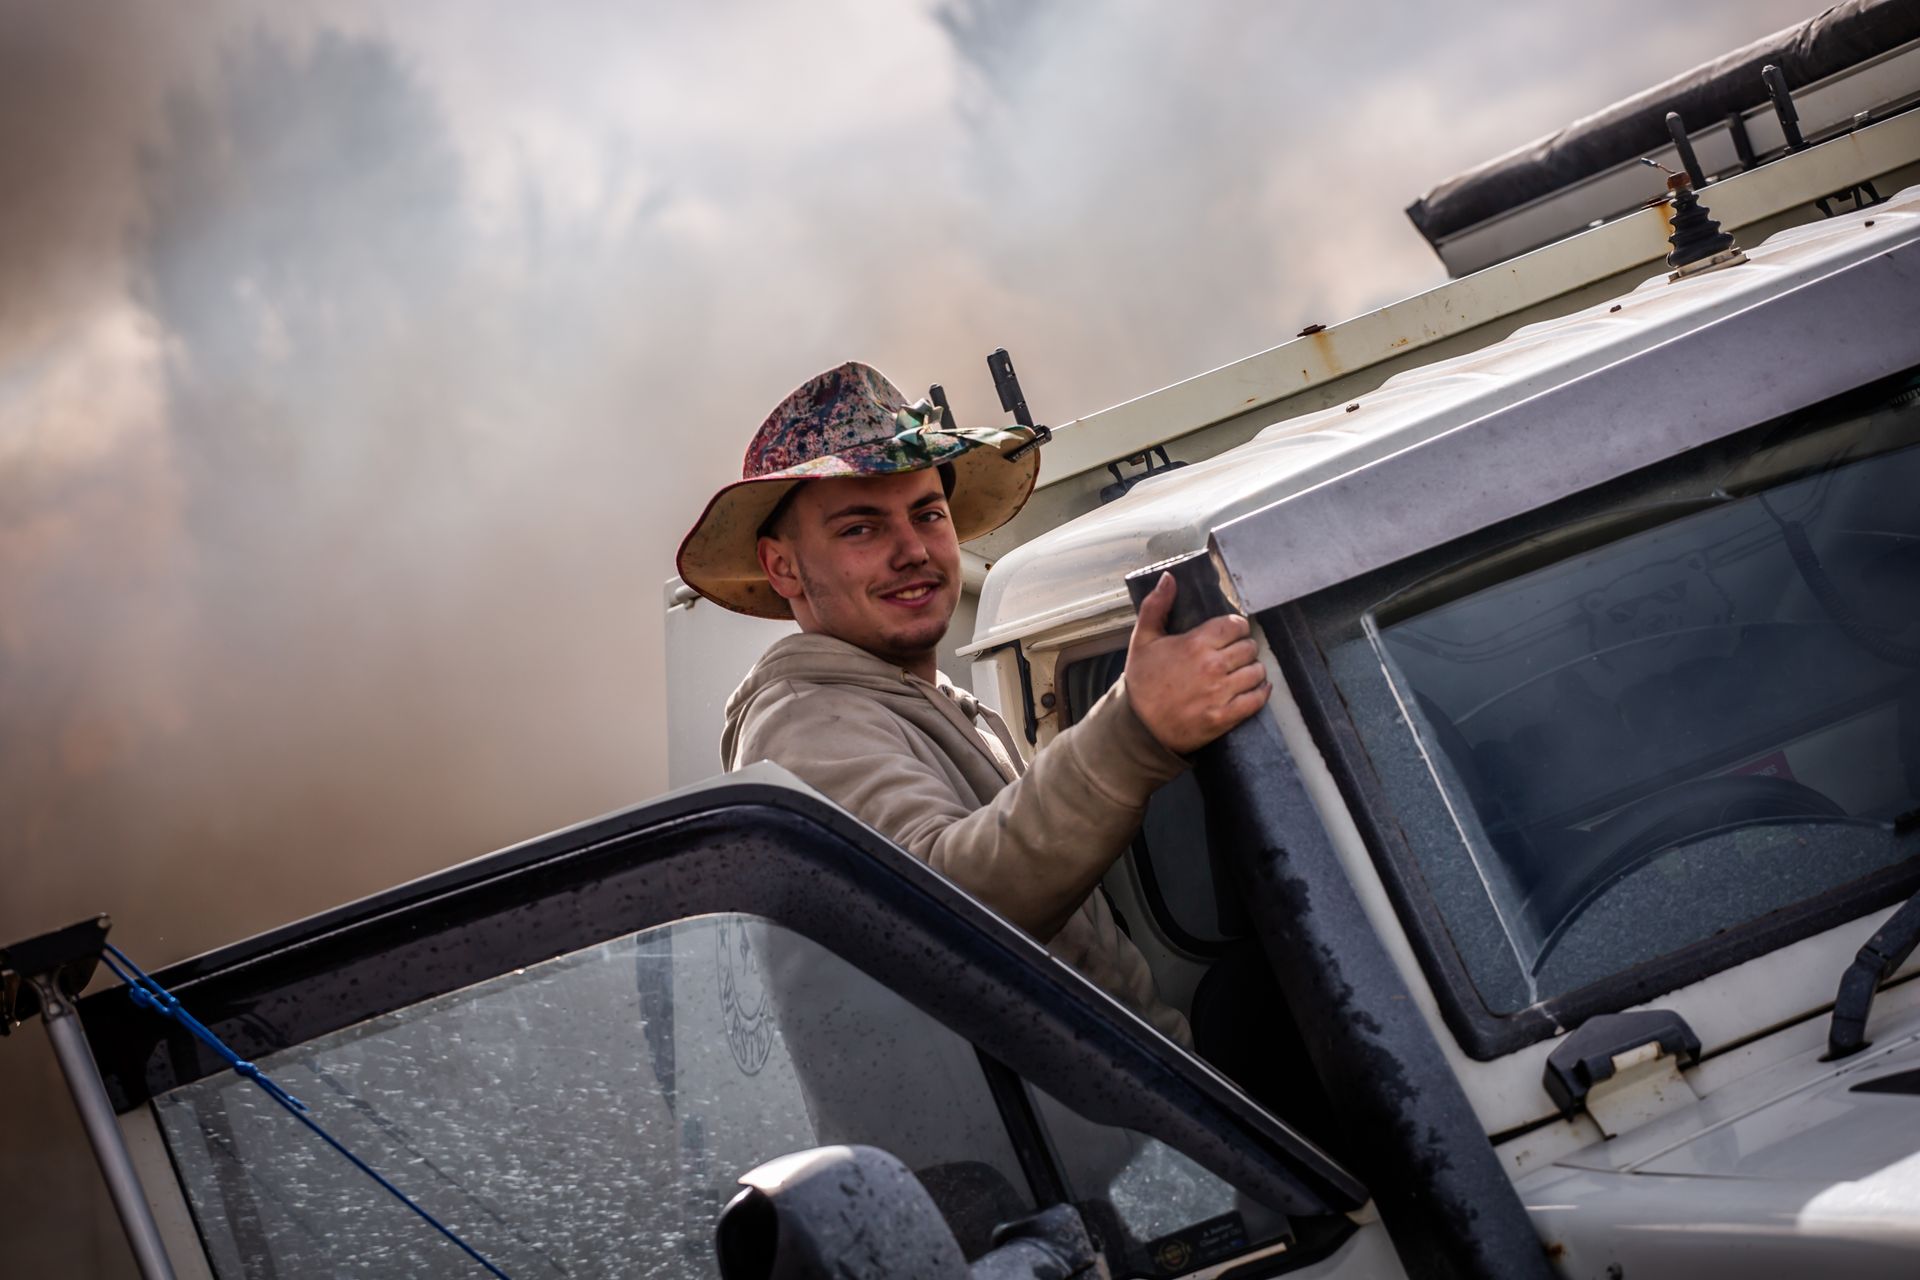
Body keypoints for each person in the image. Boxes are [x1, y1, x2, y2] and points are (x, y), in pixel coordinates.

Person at [677, 361, 1271, 1047]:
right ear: (782, 566)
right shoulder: (800, 721)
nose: (912, 551)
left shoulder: (929, 704)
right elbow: (950, 909)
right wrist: (1135, 729)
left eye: (927, 515)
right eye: (860, 529)